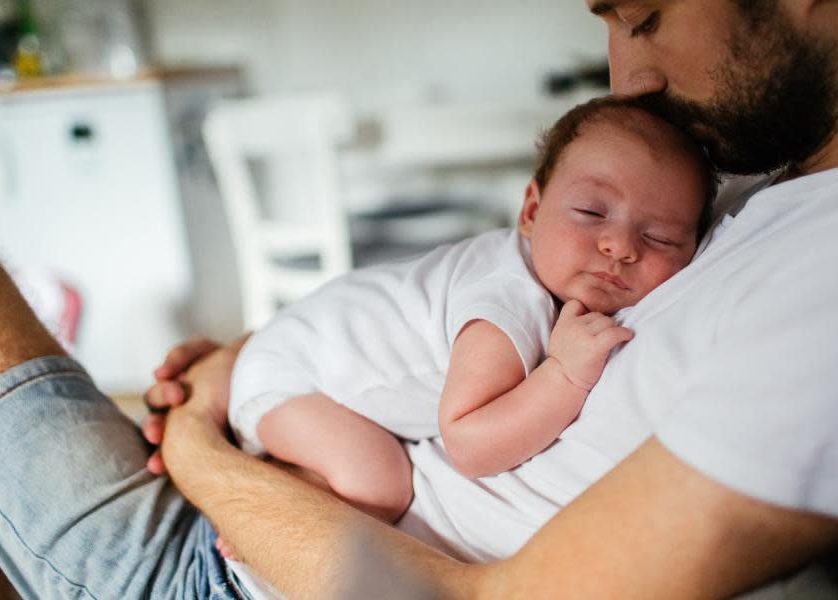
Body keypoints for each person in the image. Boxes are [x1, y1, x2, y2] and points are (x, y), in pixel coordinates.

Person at [0, 1, 838, 598]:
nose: (627, 79)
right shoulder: (766, 180)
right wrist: (262, 365)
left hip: (235, 573)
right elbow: (459, 309)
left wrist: (207, 454)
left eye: (643, 15)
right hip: (290, 504)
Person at [225, 96, 713, 530]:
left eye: (661, 238)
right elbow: (469, 445)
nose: (620, 246)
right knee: (380, 485)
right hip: (291, 375)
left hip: (308, 345)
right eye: (591, 212)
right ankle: (256, 506)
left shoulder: (545, 276)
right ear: (530, 213)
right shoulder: (507, 303)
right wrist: (565, 374)